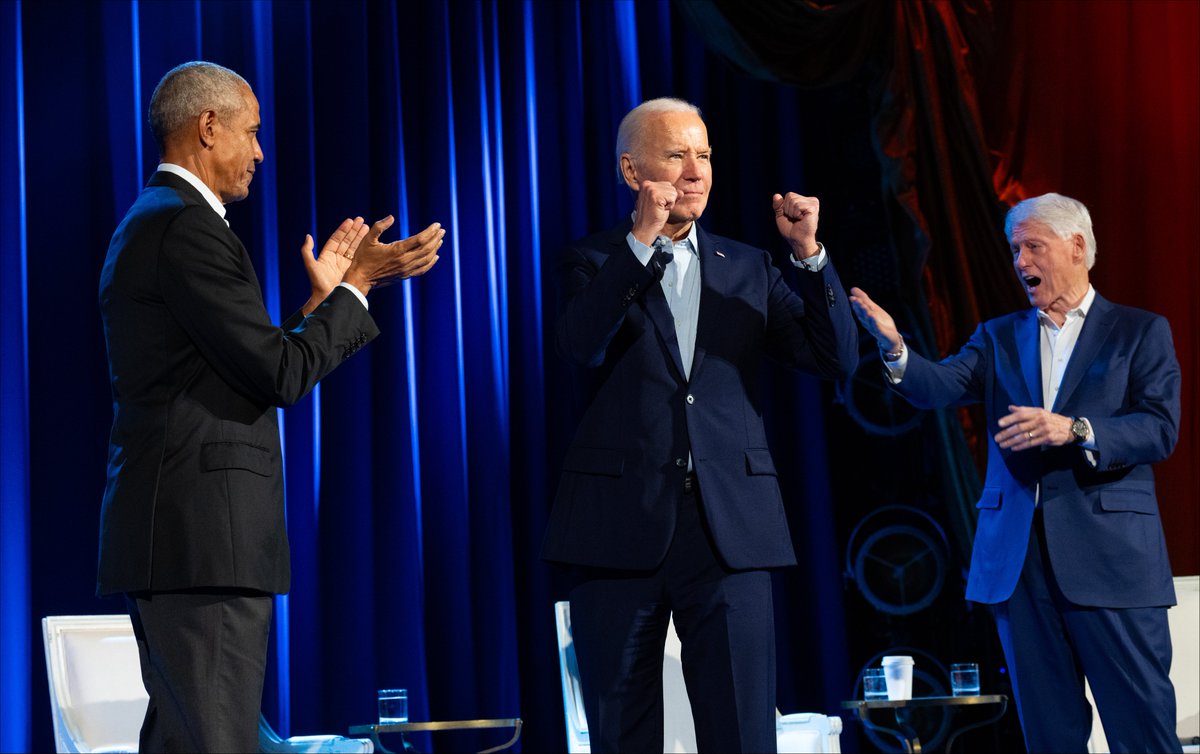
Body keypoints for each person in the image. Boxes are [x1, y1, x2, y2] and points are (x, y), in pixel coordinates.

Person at [97, 61, 443, 753]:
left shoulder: (163, 221)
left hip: (182, 541)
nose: (259, 152)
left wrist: (321, 304)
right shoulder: (185, 226)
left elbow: (238, 367)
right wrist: (357, 288)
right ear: (208, 127)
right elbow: (279, 376)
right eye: (252, 134)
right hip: (201, 541)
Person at [542, 97, 859, 752]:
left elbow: (835, 359)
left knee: (742, 732)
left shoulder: (747, 267)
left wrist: (809, 256)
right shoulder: (594, 260)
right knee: (623, 733)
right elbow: (580, 346)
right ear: (633, 172)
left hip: (731, 527)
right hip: (619, 526)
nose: (697, 171)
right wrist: (639, 247)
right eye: (677, 155)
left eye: (706, 155)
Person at [849, 192, 1182, 753]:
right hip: (1020, 566)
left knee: (1142, 729)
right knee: (1049, 736)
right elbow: (940, 387)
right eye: (1014, 250)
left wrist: (1074, 429)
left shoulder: (1138, 332)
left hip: (1111, 561)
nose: (1021, 262)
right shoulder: (999, 336)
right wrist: (897, 349)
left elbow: (1158, 429)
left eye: (1033, 247)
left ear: (1077, 247)